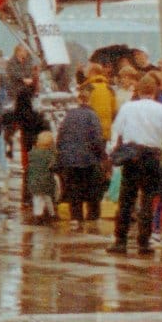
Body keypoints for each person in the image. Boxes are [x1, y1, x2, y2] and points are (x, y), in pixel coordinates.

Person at [106, 78, 162, 255]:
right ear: (154, 91)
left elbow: (118, 128)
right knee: (148, 198)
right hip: (152, 154)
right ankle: (144, 242)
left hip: (132, 155)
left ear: (137, 90)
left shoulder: (128, 107)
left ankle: (120, 240)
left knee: (126, 199)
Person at [56, 88, 108, 230]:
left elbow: (61, 135)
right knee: (92, 187)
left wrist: (61, 153)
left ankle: (76, 217)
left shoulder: (69, 115)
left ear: (78, 100)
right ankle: (93, 215)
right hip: (87, 158)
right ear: (90, 101)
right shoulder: (92, 115)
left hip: (69, 157)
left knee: (74, 187)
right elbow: (97, 138)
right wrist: (102, 156)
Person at [26, 131, 59, 224]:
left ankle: (38, 215)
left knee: (37, 199)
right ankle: (52, 214)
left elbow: (29, 163)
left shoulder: (32, 153)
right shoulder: (49, 155)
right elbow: (53, 166)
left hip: (33, 181)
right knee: (47, 198)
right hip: (46, 181)